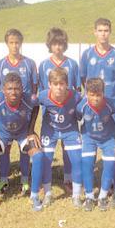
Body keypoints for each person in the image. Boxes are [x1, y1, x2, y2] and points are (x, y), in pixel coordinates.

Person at [0, 73, 44, 211]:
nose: (13, 92)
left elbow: (36, 106)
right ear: (3, 89)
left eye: (16, 88)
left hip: (22, 133)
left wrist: (31, 130)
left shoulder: (30, 98)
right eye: (9, 89)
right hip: (3, 134)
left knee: (38, 155)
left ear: (22, 89)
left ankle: (34, 196)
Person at [0, 28, 38, 194]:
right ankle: (4, 180)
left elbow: (34, 90)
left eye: (17, 42)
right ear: (7, 44)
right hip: (5, 113)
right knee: (5, 148)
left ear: (21, 43)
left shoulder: (29, 63)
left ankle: (25, 179)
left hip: (23, 112)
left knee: (24, 147)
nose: (14, 46)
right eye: (11, 43)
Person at [38, 27, 81, 193]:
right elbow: (42, 90)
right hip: (50, 115)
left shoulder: (72, 64)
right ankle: (44, 181)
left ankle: (68, 178)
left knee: (68, 147)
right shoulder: (43, 65)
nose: (58, 47)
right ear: (50, 45)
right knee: (47, 150)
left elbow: (76, 89)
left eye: (61, 44)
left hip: (69, 113)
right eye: (55, 44)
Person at [38, 67, 83, 208]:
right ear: (49, 85)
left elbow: (82, 112)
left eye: (62, 84)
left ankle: (76, 196)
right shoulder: (43, 96)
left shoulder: (76, 96)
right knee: (46, 160)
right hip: (50, 129)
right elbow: (30, 106)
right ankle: (48, 193)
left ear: (67, 84)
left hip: (70, 129)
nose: (59, 87)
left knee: (77, 160)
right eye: (55, 84)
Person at [77, 78, 115, 211]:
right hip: (89, 137)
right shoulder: (81, 106)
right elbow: (77, 118)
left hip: (108, 138)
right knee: (87, 163)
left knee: (110, 163)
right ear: (86, 94)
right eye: (92, 95)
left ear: (103, 93)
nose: (95, 98)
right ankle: (89, 196)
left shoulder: (111, 104)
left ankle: (103, 196)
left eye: (98, 95)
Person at [80, 18, 115, 99]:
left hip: (110, 99)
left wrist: (111, 92)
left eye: (106, 31)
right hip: (91, 100)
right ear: (95, 32)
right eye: (100, 31)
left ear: (110, 32)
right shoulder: (87, 54)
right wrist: (91, 92)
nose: (103, 34)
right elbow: (83, 77)